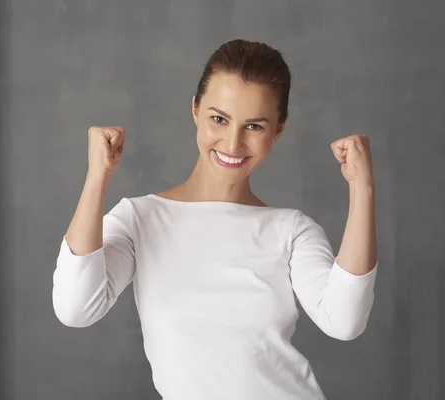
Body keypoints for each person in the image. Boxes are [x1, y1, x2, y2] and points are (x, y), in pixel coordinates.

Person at [51, 39, 378, 400]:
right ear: (195, 109)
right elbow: (76, 307)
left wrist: (361, 187)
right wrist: (98, 177)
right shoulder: (140, 219)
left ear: (278, 129)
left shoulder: (293, 231)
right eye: (219, 119)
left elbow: (345, 321)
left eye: (254, 126)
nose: (233, 143)